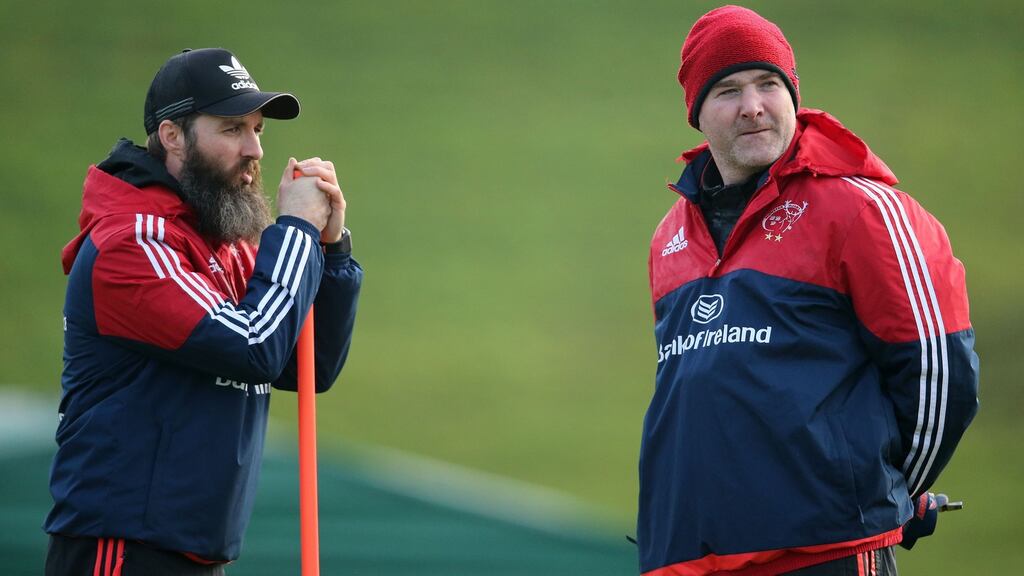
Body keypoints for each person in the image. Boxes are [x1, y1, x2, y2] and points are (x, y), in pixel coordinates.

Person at [637, 6, 978, 575]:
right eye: (726, 90)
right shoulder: (670, 234)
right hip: (691, 557)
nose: (752, 107)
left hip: (826, 554)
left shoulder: (862, 209)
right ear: (697, 114)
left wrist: (881, 492)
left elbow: (942, 378)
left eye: (768, 84)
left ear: (793, 95)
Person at [44, 48, 362, 575]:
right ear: (173, 136)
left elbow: (306, 365)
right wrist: (298, 231)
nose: (255, 149)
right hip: (122, 550)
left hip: (196, 553)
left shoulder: (221, 243)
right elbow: (254, 344)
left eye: (258, 130)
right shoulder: (132, 243)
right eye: (233, 128)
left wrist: (332, 251)